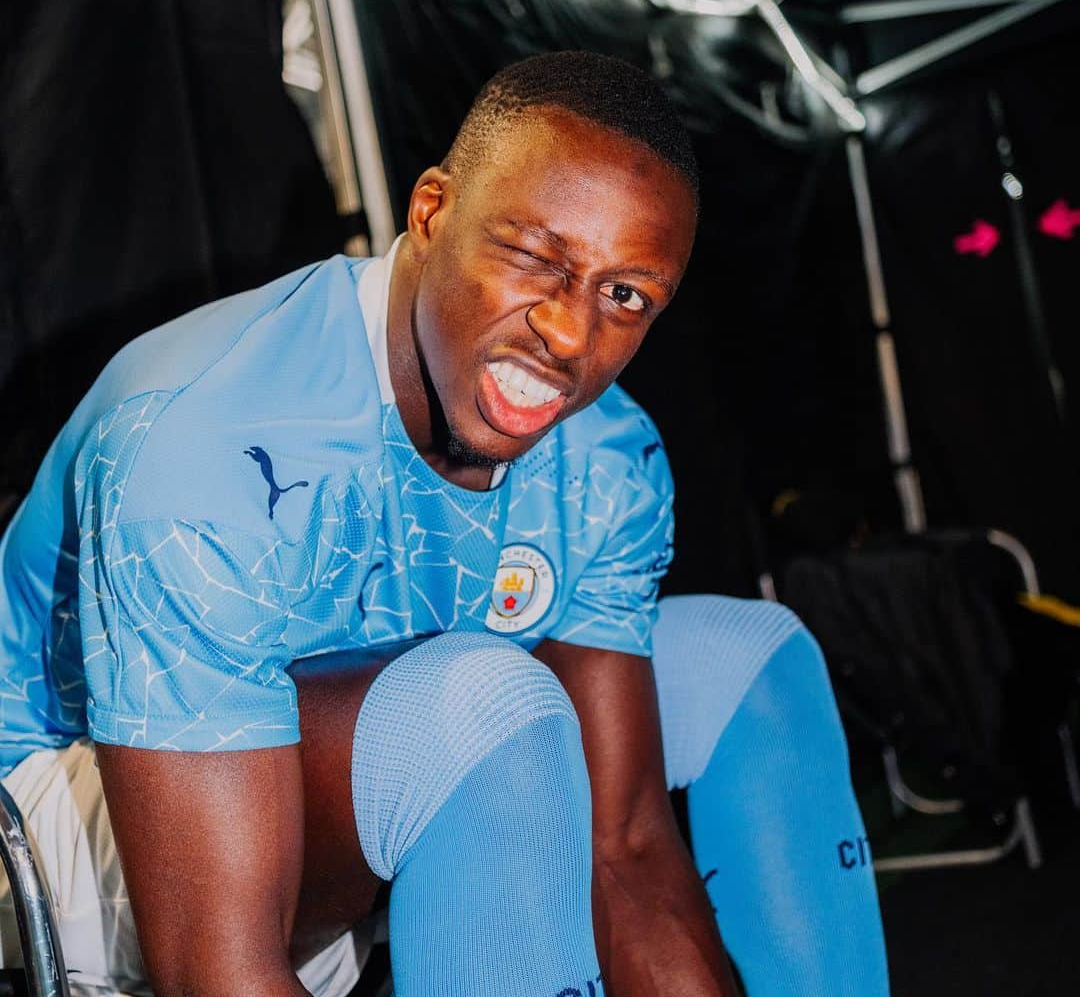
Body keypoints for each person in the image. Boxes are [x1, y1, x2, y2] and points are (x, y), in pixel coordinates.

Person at [0, 51, 888, 996]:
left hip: (367, 752)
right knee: (483, 708)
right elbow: (215, 971)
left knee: (752, 653)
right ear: (430, 212)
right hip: (75, 816)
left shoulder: (608, 460)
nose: (570, 334)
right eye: (535, 257)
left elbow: (622, 849)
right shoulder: (204, 437)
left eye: (624, 295)